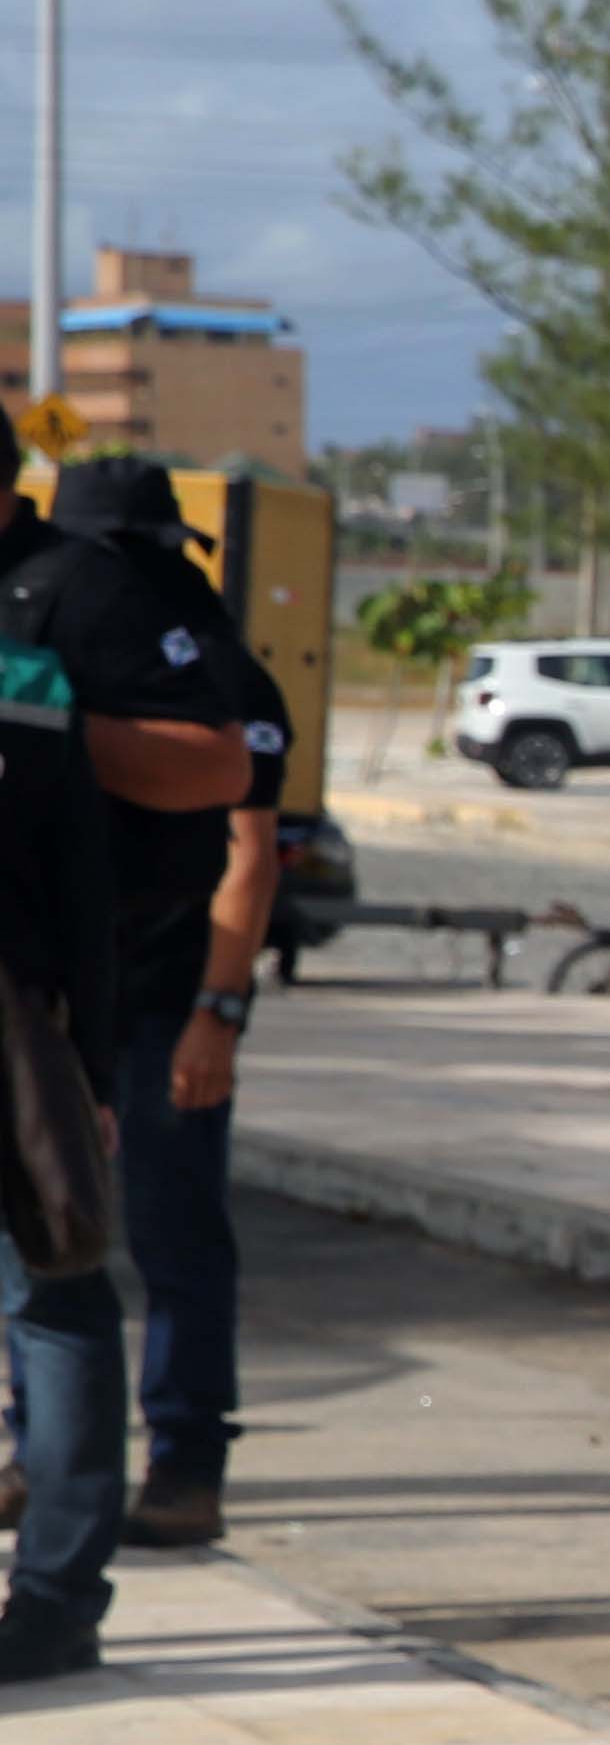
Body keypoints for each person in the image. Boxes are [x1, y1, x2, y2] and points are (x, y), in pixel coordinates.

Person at [0, 458, 267, 1677]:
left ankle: (66, 1586)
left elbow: (227, 790)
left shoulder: (90, 601)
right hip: (75, 1000)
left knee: (74, 1278)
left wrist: (201, 1015)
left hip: (54, 1007)